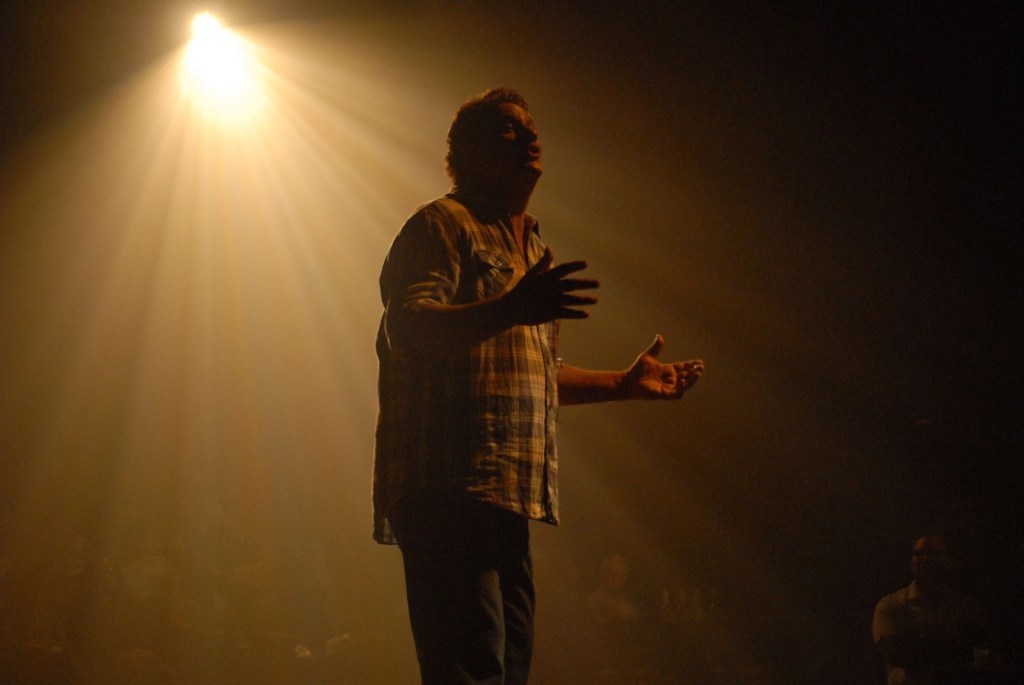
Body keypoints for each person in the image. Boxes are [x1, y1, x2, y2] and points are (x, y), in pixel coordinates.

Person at [372, 87, 704, 685]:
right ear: (468, 154)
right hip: (447, 485)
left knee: (506, 669)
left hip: (507, 493)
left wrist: (622, 384)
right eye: (509, 128)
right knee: (470, 668)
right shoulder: (441, 225)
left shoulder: (530, 250)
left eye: (531, 127)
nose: (530, 136)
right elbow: (411, 330)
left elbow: (536, 375)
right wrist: (513, 306)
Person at [872, 534, 992, 685]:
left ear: (948, 561)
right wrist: (956, 645)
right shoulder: (891, 605)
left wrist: (920, 643)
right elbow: (896, 653)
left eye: (933, 553)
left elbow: (984, 650)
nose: (925, 558)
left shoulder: (965, 607)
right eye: (918, 553)